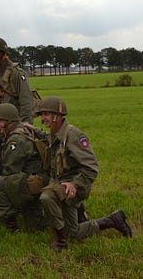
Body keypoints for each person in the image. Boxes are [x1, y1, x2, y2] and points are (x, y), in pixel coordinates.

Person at [31, 96, 132, 252]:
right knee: (73, 232)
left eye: (45, 114)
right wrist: (31, 129)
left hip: (72, 187)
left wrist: (74, 184)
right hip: (61, 186)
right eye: (41, 114)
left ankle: (60, 240)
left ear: (57, 116)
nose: (42, 118)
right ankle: (112, 220)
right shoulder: (55, 132)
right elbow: (47, 139)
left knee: (46, 196)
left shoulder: (74, 136)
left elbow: (91, 167)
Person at [0, 103, 48, 232]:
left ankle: (11, 224)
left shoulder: (16, 139)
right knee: (34, 224)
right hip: (36, 179)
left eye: (0, 121)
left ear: (9, 121)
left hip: (33, 182)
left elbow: (10, 170)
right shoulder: (24, 130)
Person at [0, 37, 35, 125]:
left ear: (3, 53)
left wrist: (25, 126)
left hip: (11, 127)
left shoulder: (16, 73)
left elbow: (26, 102)